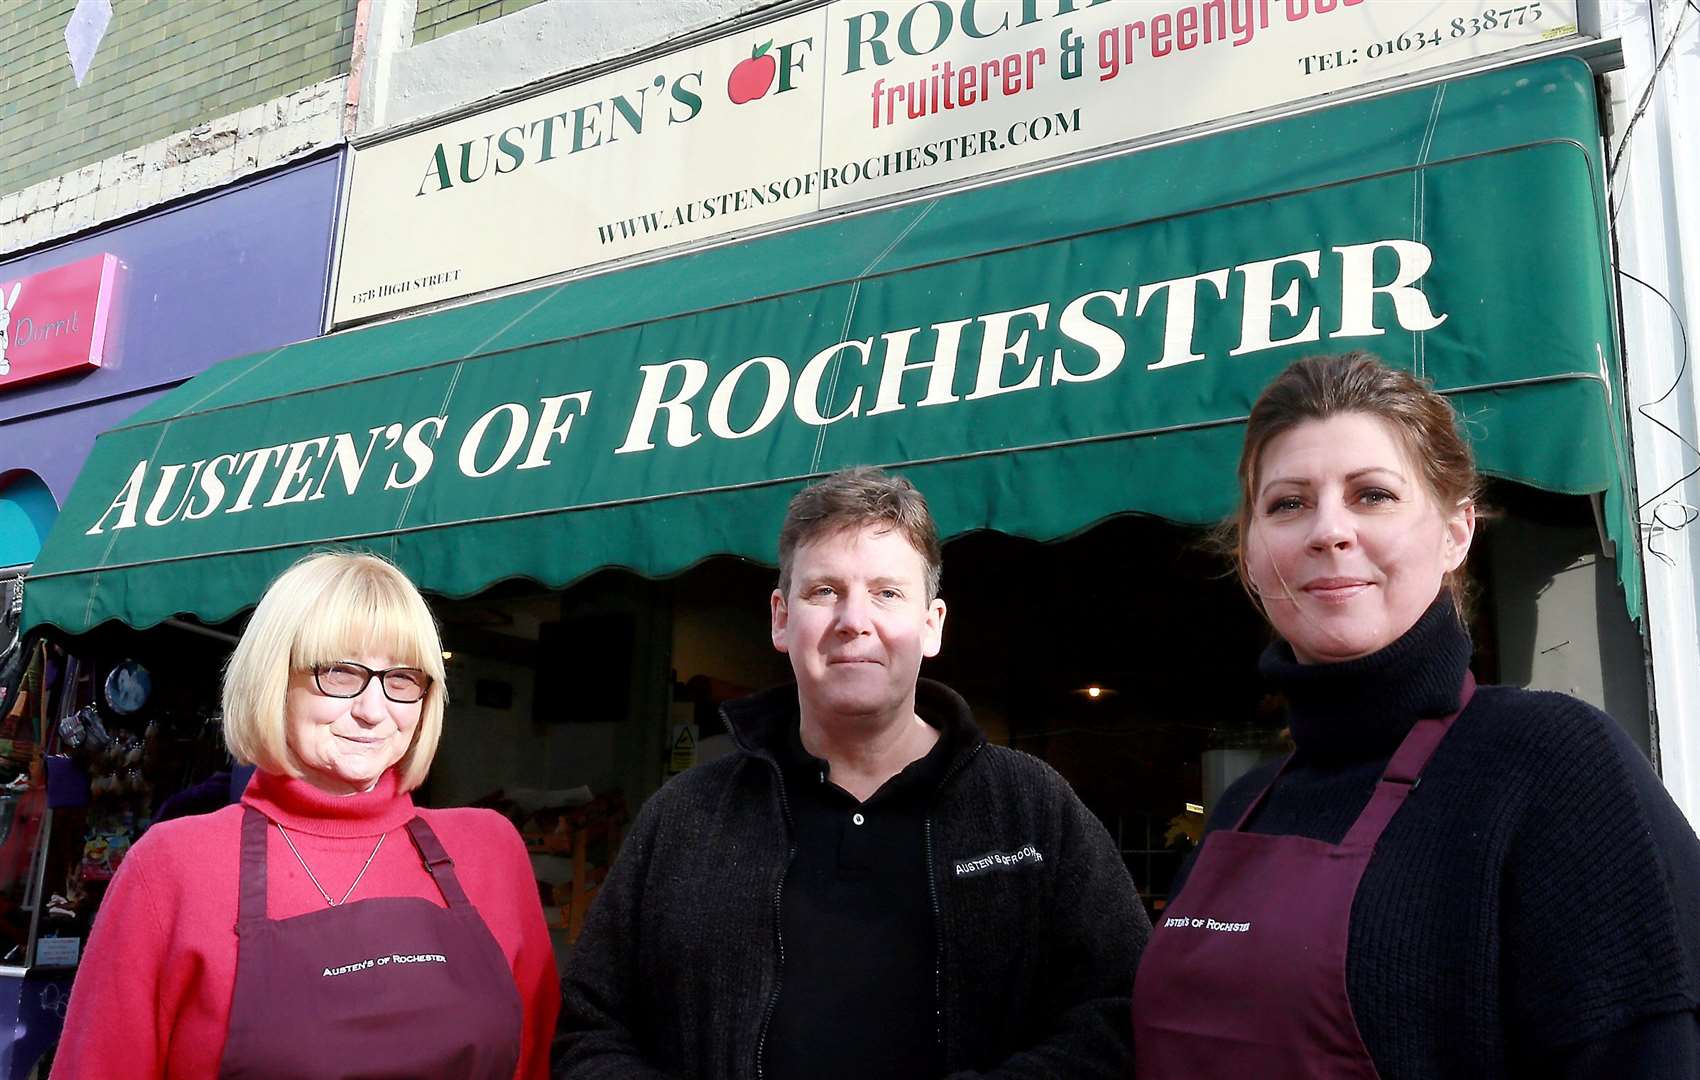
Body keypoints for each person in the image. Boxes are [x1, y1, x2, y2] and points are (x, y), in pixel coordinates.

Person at [1133, 352, 1700, 1078]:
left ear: (1456, 533)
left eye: (1372, 495)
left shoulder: (1554, 763)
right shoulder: (1243, 807)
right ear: (1249, 554)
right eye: (1287, 503)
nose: (1328, 531)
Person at [556, 466, 1148, 1079]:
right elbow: (589, 1026)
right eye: (824, 591)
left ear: (932, 624)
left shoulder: (1032, 808)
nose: (853, 620)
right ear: (781, 618)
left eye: (888, 593)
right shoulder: (685, 815)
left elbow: (1118, 1010)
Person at [53, 551, 558, 1079]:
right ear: (274, 680)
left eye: (403, 678)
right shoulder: (172, 867)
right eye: (341, 673)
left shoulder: (490, 851)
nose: (372, 709)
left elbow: (538, 1061)